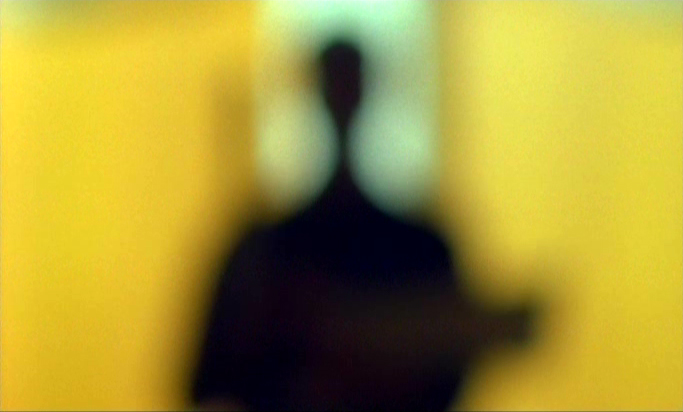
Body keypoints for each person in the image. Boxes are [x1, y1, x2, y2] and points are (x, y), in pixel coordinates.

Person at [191, 40, 536, 411]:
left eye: (347, 84)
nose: (343, 99)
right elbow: (211, 377)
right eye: (338, 84)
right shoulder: (267, 252)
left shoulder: (417, 249)